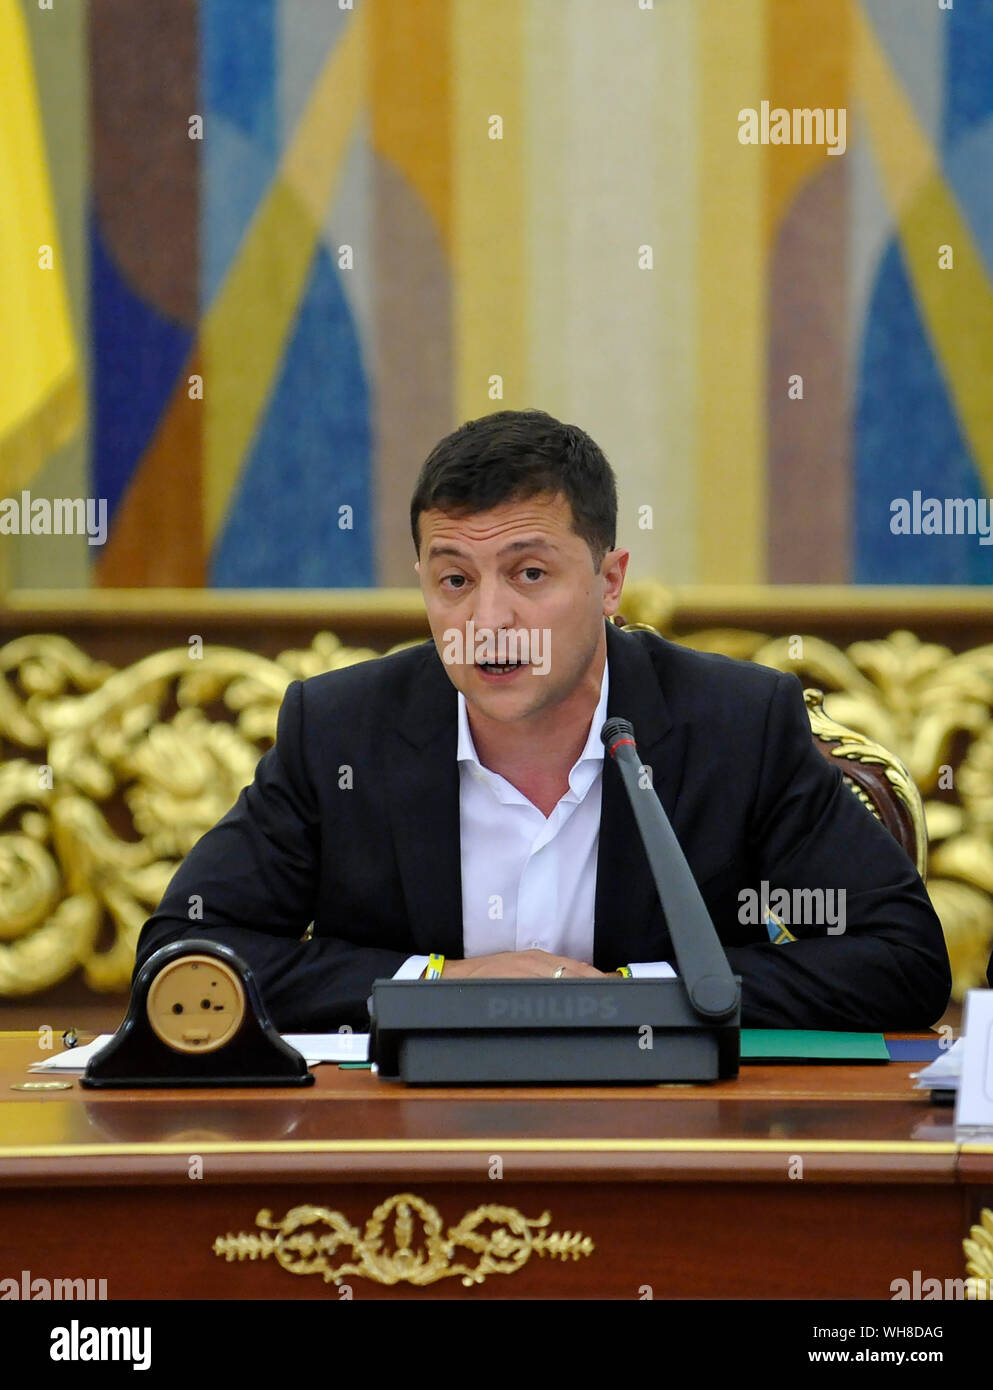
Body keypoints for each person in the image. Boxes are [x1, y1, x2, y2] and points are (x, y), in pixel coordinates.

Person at [134, 409, 951, 1032]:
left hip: (664, 1151)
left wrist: (625, 1001)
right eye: (454, 581)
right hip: (404, 1155)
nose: (490, 619)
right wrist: (442, 984)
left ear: (607, 581)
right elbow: (185, 955)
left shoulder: (733, 725)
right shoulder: (340, 732)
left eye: (529, 572)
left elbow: (898, 960)